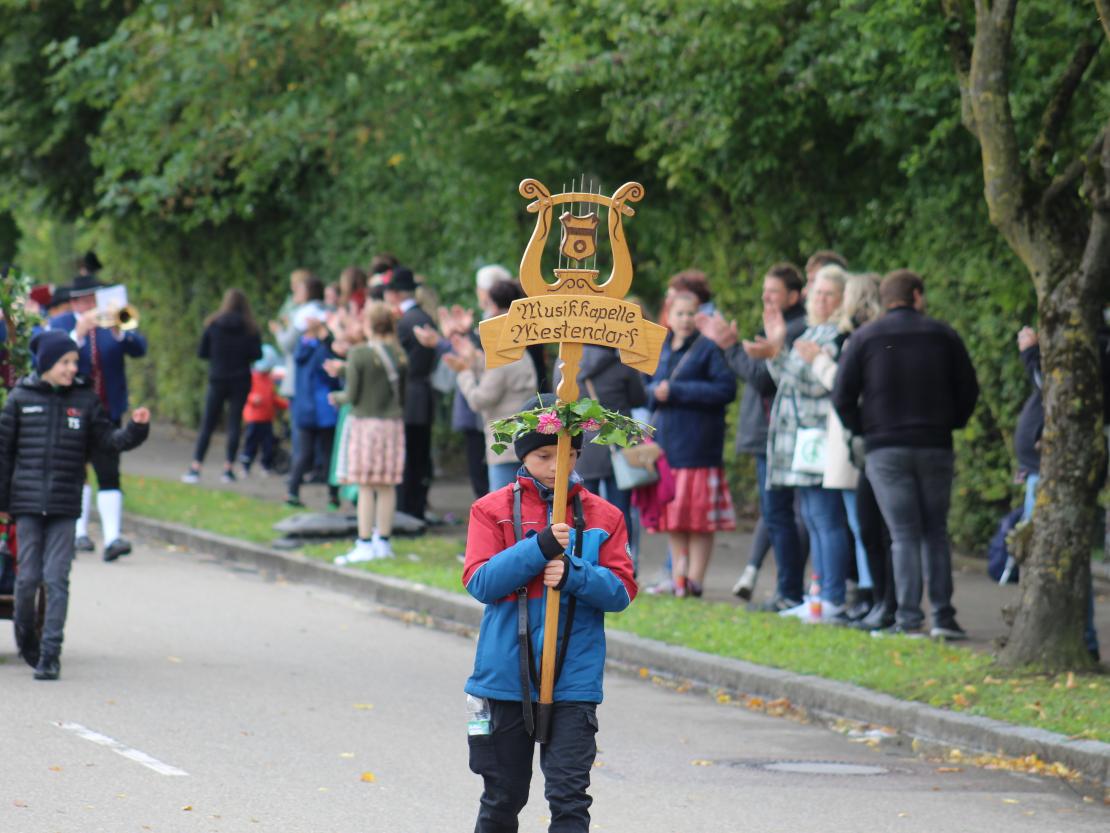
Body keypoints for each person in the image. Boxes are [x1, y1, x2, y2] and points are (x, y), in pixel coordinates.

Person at [462, 393, 636, 833]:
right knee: (503, 797)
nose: (560, 467)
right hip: (505, 678)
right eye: (545, 456)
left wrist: (575, 572)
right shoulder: (491, 510)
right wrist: (538, 549)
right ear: (524, 456)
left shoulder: (605, 516)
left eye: (570, 456)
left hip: (573, 680)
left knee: (569, 799)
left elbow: (621, 591)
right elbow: (480, 582)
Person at [832, 269, 979, 639]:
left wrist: (863, 429)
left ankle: (910, 618)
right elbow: (968, 389)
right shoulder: (943, 335)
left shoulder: (865, 338)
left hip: (885, 448)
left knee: (903, 534)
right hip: (934, 443)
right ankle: (944, 616)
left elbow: (842, 396)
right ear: (917, 295)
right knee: (936, 532)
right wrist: (952, 422)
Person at [0, 330, 150, 680]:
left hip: (64, 504)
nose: (72, 368)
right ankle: (26, 637)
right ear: (48, 364)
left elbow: (108, 443)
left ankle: (51, 654)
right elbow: (4, 454)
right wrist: (3, 502)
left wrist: (136, 430)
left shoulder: (84, 401)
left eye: (73, 362)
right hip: (26, 502)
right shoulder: (21, 398)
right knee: (27, 581)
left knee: (56, 579)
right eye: (65, 362)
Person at [698, 263, 809, 608]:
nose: (766, 297)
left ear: (794, 295)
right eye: (765, 290)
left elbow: (763, 378)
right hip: (768, 434)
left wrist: (730, 347)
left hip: (776, 435)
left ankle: (790, 592)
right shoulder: (782, 325)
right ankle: (789, 591)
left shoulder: (795, 329)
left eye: (773, 291)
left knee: (781, 514)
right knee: (779, 514)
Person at [752, 265, 851, 621]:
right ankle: (818, 595)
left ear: (842, 299)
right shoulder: (813, 331)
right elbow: (788, 381)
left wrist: (778, 352)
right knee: (810, 515)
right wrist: (777, 352)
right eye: (817, 293)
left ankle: (833, 596)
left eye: (829, 294)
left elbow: (816, 384)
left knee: (826, 517)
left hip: (819, 437)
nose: (820, 299)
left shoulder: (839, 334)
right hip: (800, 440)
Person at [796, 272, 883, 621]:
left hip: (852, 441)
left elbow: (840, 385)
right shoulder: (856, 337)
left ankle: (868, 594)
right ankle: (865, 592)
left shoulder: (855, 339)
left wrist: (817, 360)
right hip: (848, 442)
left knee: (861, 525)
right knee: (855, 522)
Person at [51, 272, 148, 562]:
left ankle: (113, 537)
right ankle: (78, 533)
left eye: (94, 299)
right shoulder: (62, 325)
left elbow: (139, 348)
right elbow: (50, 360)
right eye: (85, 300)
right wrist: (77, 334)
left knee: (109, 470)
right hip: (73, 411)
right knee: (76, 471)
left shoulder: (112, 325)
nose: (91, 304)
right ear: (76, 302)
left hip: (107, 411)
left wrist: (119, 331)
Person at [646, 290, 737, 597]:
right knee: (674, 518)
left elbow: (725, 390)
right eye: (679, 313)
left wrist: (677, 391)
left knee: (698, 520)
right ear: (668, 316)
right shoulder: (660, 349)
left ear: (699, 317)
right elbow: (644, 388)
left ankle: (695, 580)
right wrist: (654, 392)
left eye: (690, 314)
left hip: (699, 447)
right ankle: (678, 576)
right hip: (666, 447)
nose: (684, 320)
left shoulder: (708, 349)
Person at [331, 302, 407, 564]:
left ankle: (364, 542)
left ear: (368, 324)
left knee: (365, 485)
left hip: (365, 425)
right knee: (387, 484)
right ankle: (383, 541)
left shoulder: (358, 353)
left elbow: (351, 394)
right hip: (392, 425)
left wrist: (335, 397)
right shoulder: (399, 355)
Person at [447, 280, 538, 493]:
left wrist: (464, 373)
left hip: (504, 447)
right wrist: (474, 359)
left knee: (502, 510)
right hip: (521, 441)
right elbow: (497, 375)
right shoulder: (519, 352)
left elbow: (480, 399)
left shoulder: (503, 358)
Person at [182, 289, 263, 483]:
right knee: (234, 423)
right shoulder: (250, 329)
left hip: (217, 377)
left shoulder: (214, 325)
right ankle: (228, 468)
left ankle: (196, 466)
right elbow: (257, 355)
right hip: (241, 379)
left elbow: (203, 352)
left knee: (208, 423)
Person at [387, 266, 438, 520]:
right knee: (420, 456)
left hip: (409, 396)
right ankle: (416, 508)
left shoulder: (405, 323)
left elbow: (400, 365)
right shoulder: (424, 317)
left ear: (395, 294)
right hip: (424, 393)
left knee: (408, 457)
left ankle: (407, 510)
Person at [286, 316, 341, 508]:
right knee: (328, 455)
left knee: (304, 454)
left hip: (304, 409)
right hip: (324, 409)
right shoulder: (322, 349)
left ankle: (292, 493)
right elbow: (332, 374)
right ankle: (333, 497)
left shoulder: (301, 349)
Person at [240, 344, 288, 477]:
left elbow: (273, 398)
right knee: (251, 443)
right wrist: (251, 399)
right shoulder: (251, 377)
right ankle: (246, 466)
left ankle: (266, 465)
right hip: (253, 418)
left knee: (268, 444)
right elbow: (244, 393)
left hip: (267, 418)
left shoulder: (269, 379)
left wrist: (287, 404)